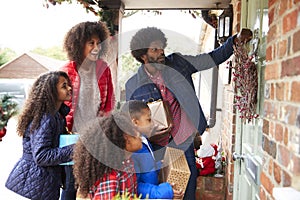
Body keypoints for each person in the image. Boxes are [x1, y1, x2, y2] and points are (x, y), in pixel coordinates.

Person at [125, 27, 253, 200]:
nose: (161, 51)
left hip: (182, 140)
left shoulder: (178, 63)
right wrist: (149, 132)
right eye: (154, 49)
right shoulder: (133, 84)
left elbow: (210, 59)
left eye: (161, 46)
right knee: (161, 191)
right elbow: (131, 120)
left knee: (188, 186)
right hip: (157, 146)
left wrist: (234, 42)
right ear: (143, 55)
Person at [60, 21, 115, 200]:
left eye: (98, 43)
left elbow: (108, 104)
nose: (96, 47)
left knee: (92, 188)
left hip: (96, 139)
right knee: (70, 186)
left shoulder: (103, 69)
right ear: (78, 44)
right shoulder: (66, 71)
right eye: (91, 43)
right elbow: (59, 107)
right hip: (72, 139)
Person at [5, 71, 74, 200]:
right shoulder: (46, 117)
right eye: (64, 86)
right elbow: (42, 156)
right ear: (51, 92)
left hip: (42, 185)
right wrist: (76, 148)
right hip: (34, 186)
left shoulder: (57, 115)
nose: (70, 88)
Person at [121, 100, 184, 199]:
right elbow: (135, 186)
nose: (152, 124)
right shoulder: (133, 150)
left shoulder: (143, 140)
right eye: (149, 120)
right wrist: (163, 192)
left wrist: (160, 165)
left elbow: (147, 169)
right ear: (135, 122)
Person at [72, 112, 142, 199]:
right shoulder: (110, 178)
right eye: (134, 132)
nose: (139, 134)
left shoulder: (126, 162)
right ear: (125, 139)